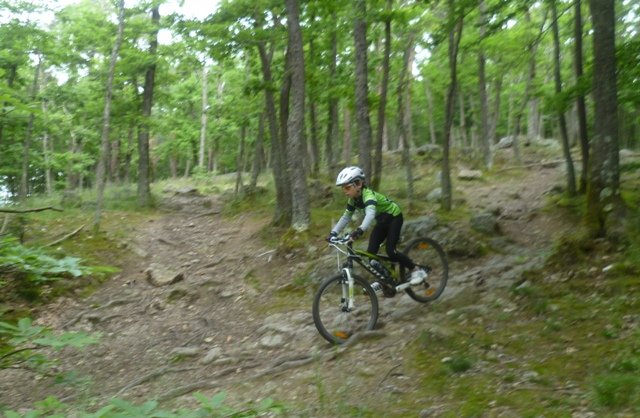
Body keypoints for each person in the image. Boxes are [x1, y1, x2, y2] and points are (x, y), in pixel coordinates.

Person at [327, 166, 427, 286]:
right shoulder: (353, 200)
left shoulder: (368, 195)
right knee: (371, 254)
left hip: (394, 217)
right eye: (343, 189)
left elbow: (370, 214)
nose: (345, 191)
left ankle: (416, 270)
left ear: (358, 184)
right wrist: (333, 233)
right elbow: (346, 217)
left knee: (391, 251)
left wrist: (360, 230)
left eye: (347, 187)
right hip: (382, 222)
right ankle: (386, 279)